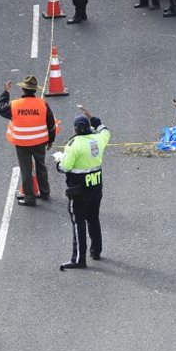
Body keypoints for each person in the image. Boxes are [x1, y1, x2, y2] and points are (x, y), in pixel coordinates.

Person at [57, 105, 110, 271]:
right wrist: (92, 117)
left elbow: (65, 167)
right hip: (96, 187)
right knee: (93, 219)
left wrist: (58, 163)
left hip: (78, 191)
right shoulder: (99, 139)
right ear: (89, 127)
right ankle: (96, 251)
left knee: (78, 222)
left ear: (75, 129)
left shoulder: (73, 145)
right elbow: (105, 130)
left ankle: (79, 259)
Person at [0, 75, 58, 207]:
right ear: (35, 90)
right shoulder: (43, 104)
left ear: (23, 89)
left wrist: (6, 92)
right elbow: (51, 124)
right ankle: (45, 192)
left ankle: (30, 198)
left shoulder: (15, 105)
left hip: (22, 143)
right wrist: (51, 140)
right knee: (41, 166)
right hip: (40, 142)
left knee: (26, 169)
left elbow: (0, 108)